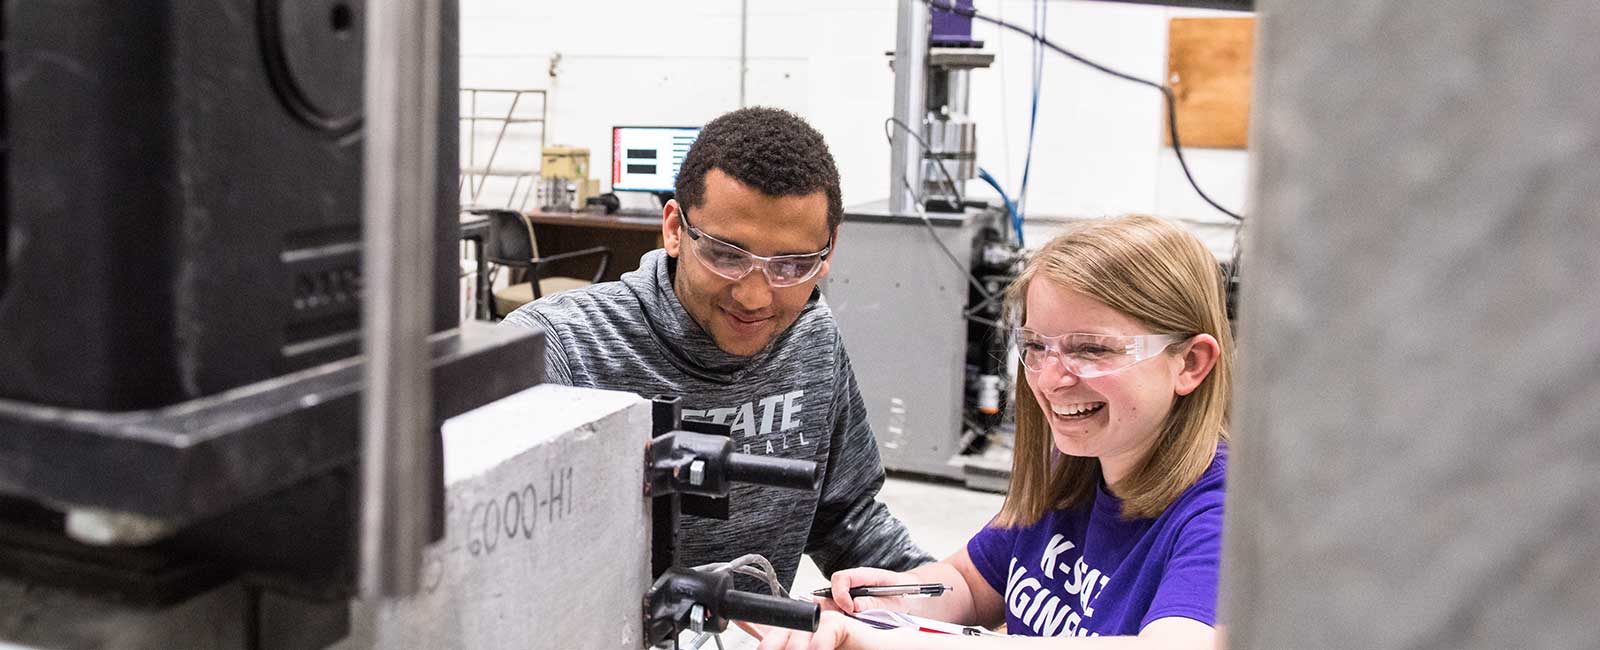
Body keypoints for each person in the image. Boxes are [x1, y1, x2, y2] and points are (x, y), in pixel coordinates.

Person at [501, 107, 931, 587]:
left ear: (828, 252)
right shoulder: (562, 351)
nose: (754, 296)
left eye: (790, 265)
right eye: (726, 255)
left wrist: (944, 600)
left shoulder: (812, 338)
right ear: (673, 230)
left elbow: (847, 519)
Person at [758, 215, 1232, 649]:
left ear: (1190, 363)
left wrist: (901, 644)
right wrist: (887, 608)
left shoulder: (1227, 516)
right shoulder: (1072, 470)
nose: (1048, 378)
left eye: (1090, 349)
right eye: (1035, 346)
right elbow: (968, 583)